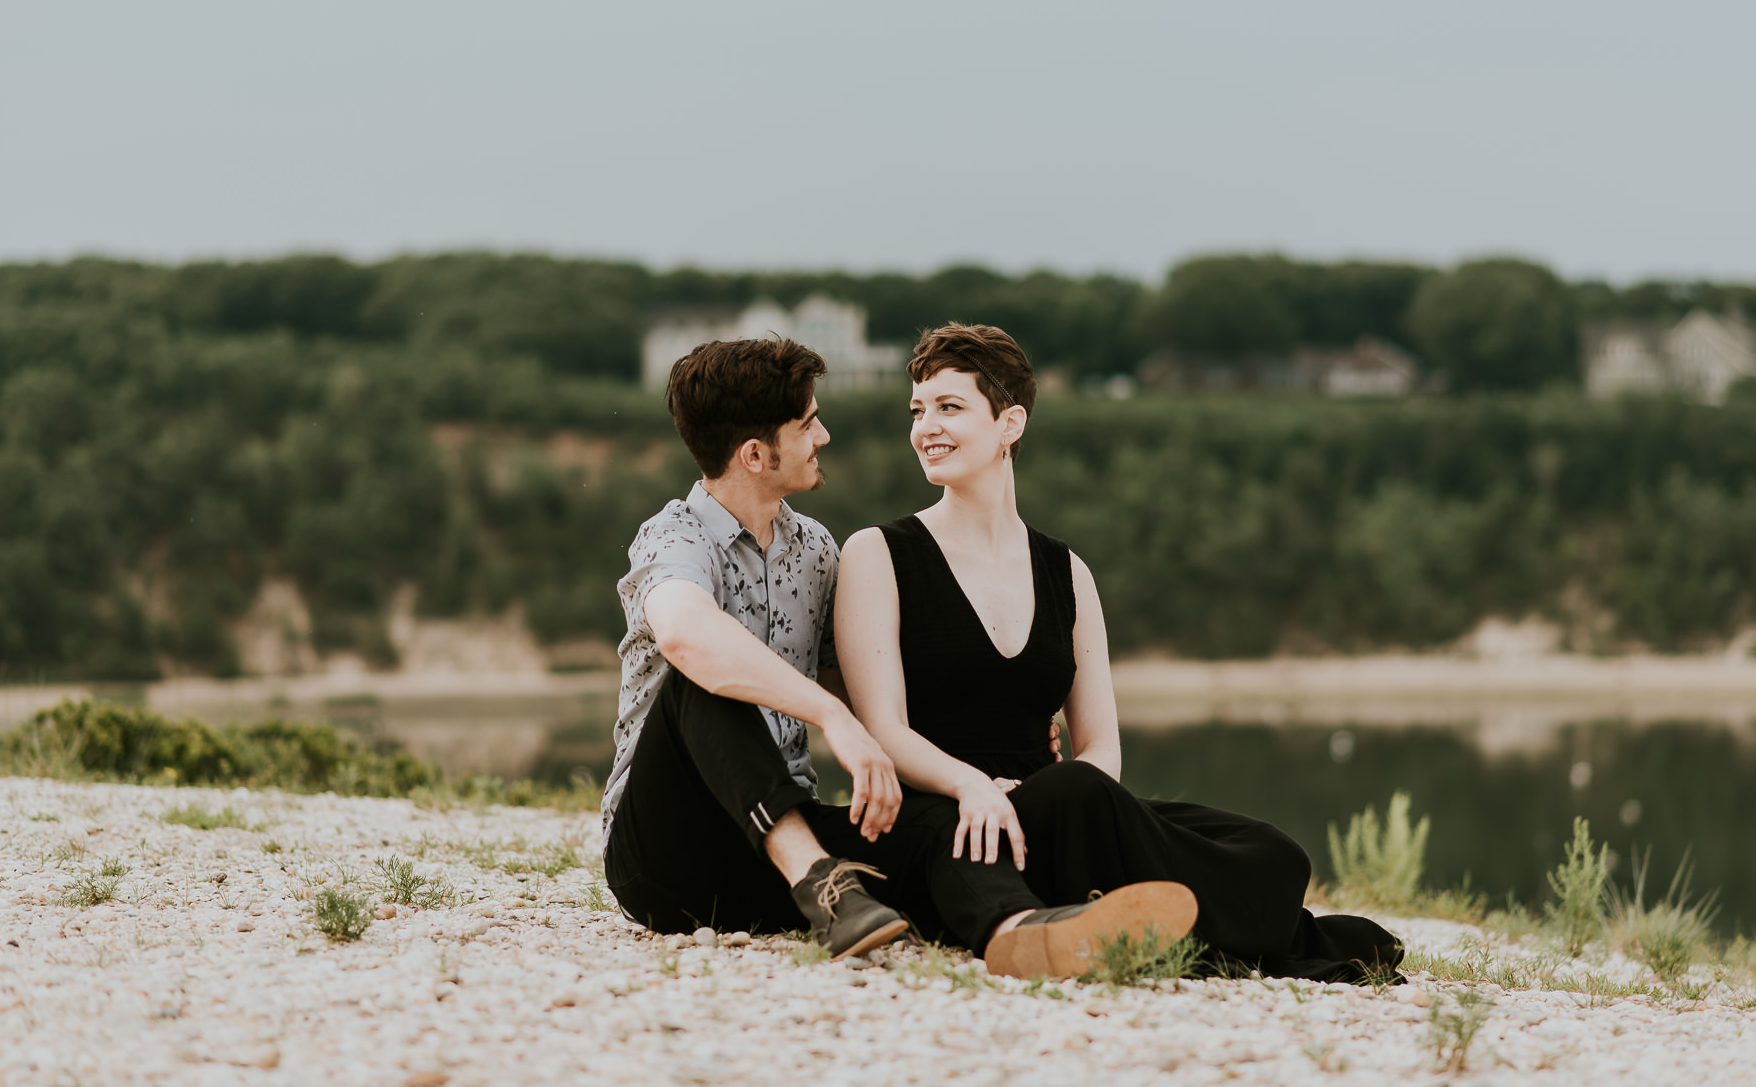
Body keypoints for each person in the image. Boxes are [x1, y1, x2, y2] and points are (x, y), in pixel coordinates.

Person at [599, 335, 1198, 974]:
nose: (824, 436)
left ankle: (1019, 930)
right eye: (807, 424)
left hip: (772, 853)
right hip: (666, 851)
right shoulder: (674, 536)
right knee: (704, 679)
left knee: (940, 825)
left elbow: (860, 686)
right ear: (754, 453)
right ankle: (821, 884)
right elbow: (687, 635)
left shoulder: (815, 551)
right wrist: (833, 721)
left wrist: (987, 762)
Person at [833, 323, 1403, 982]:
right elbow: (883, 728)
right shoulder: (878, 553)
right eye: (918, 409)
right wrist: (971, 784)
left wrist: (1039, 792)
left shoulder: (1068, 572)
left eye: (949, 407)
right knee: (1076, 793)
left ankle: (1136, 916)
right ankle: (1125, 925)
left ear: (1009, 423)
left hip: (1055, 810)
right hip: (942, 813)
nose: (926, 427)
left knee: (1272, 850)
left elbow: (1101, 744)